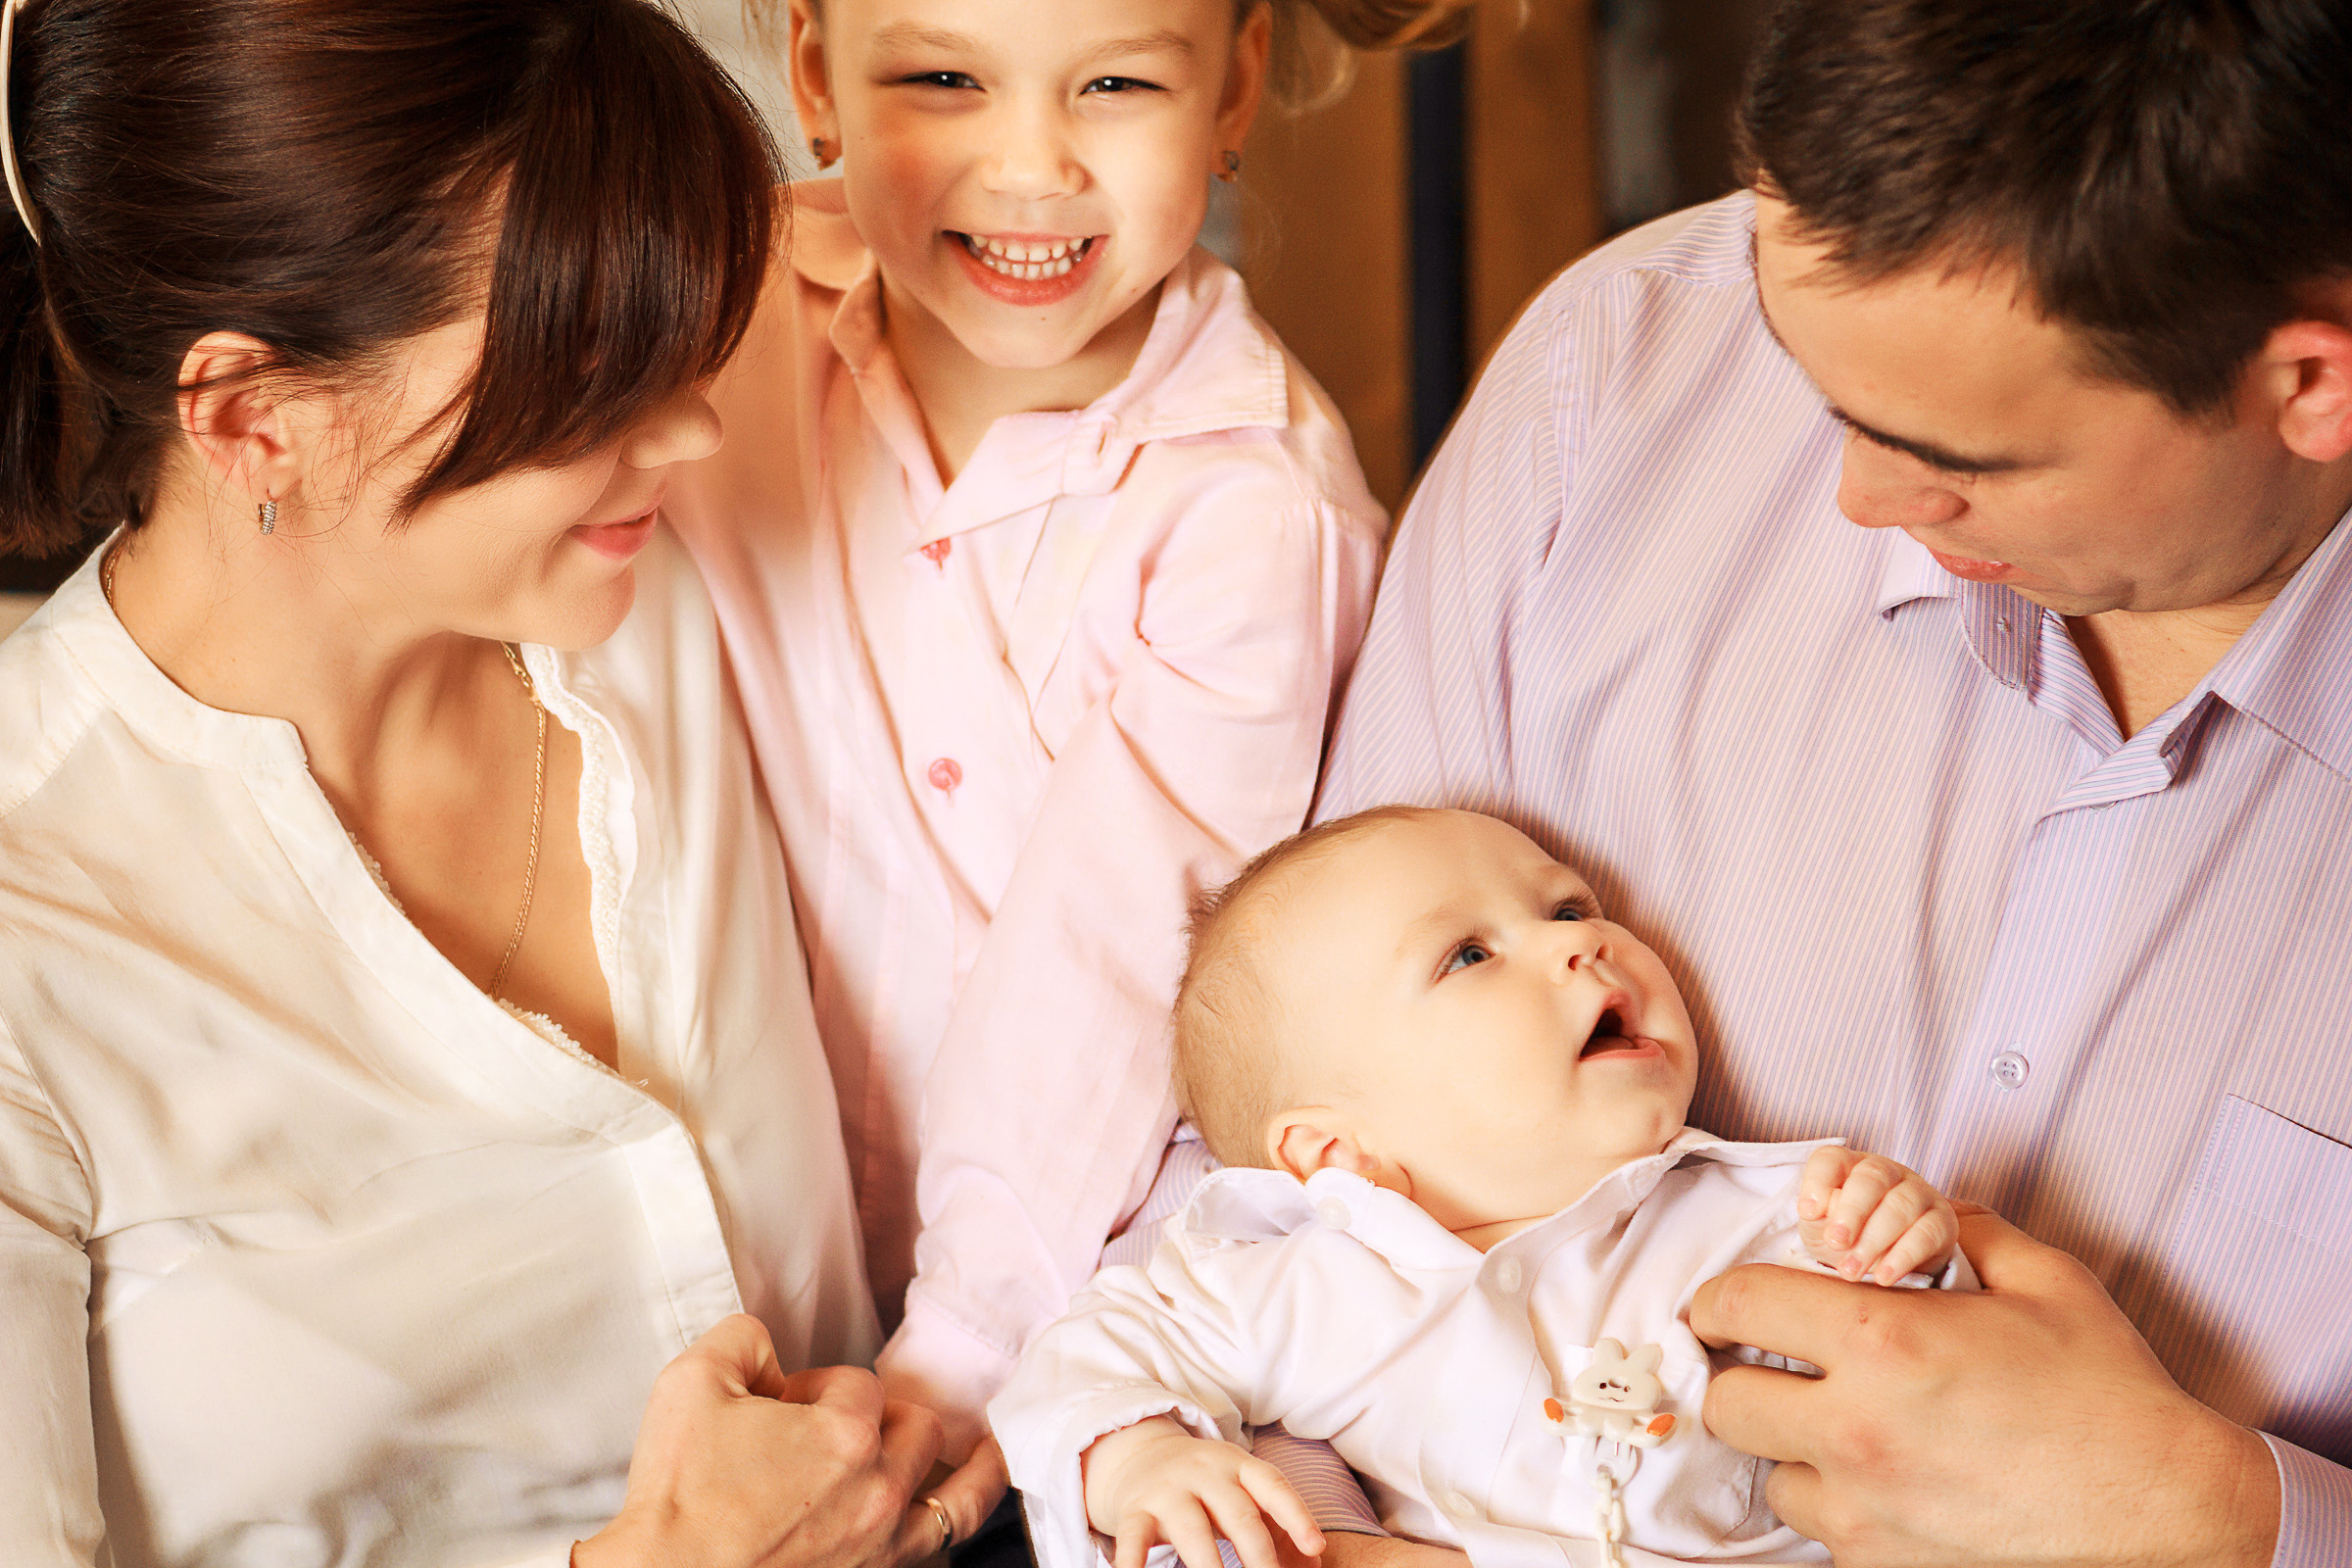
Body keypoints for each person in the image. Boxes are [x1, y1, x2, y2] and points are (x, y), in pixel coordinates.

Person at [1311, 2, 2352, 1565]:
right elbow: (1279, 1116)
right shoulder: (1625, 380)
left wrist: (2229, 1526)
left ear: (2313, 383)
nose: (1855, 500)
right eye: (1808, 380)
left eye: (1956, 457)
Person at [0, 1, 958, 1562]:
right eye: (588, 375)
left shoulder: (674, 599)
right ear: (255, 420)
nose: (693, 426)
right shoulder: (34, 924)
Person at [662, 0, 1468, 1486]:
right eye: (943, 79)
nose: (1030, 170)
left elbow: (1108, 973)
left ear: (1232, 87)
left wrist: (961, 1360)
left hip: (1089, 1325)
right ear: (813, 71)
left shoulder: (1248, 514)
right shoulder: (712, 311)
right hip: (751, 1264)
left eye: (1111, 84)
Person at [991, 807, 1969, 1568]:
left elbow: (1935, 1400)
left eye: (1569, 907)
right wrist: (1139, 1457)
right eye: (1469, 954)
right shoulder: (1309, 1284)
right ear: (1334, 1153)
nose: (1578, 943)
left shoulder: (1773, 1213)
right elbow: (1078, 1359)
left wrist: (1906, 1249)